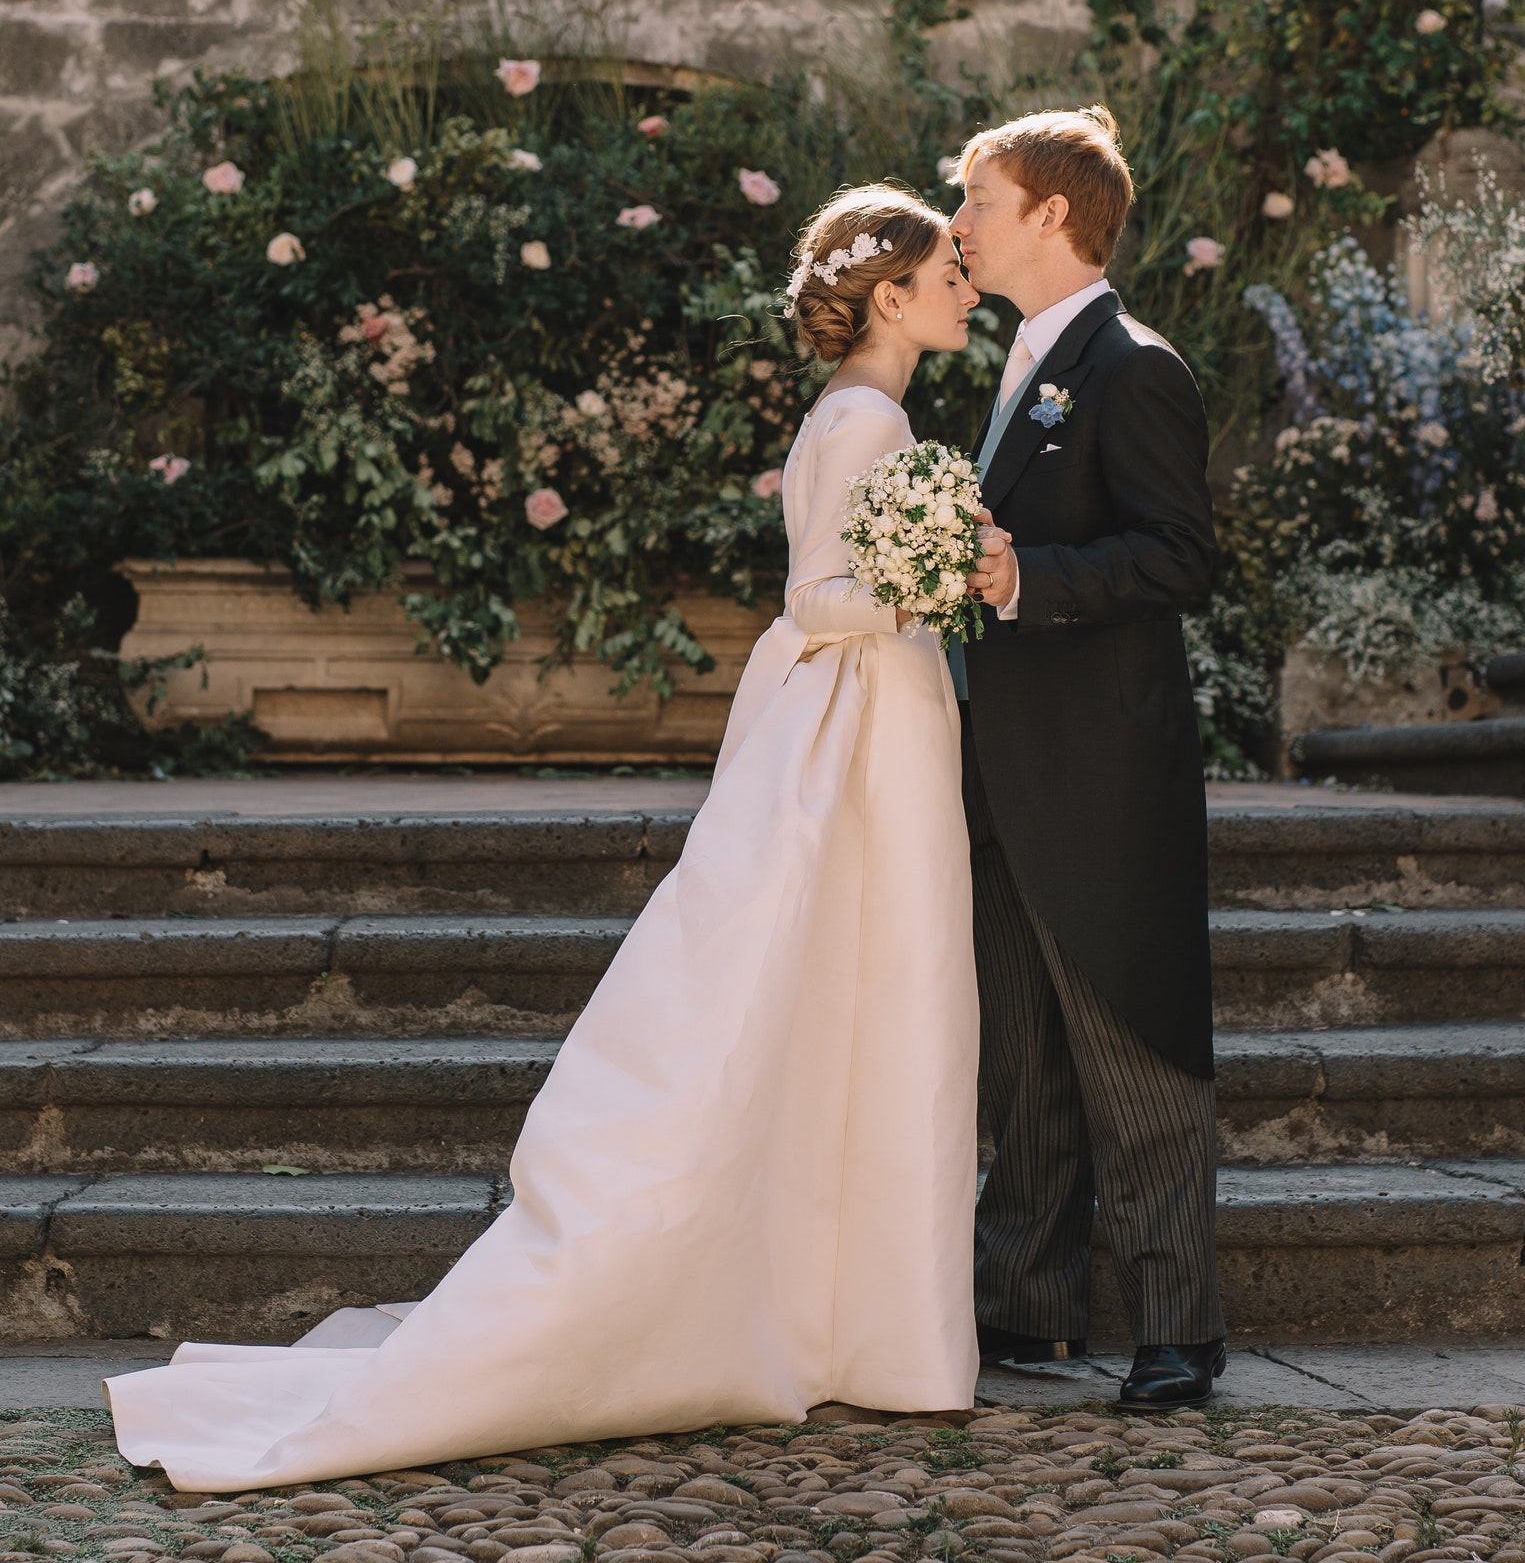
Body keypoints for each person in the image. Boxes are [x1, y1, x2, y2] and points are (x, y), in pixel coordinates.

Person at [104, 185, 984, 1490]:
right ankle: (850, 1322)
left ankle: (845, 1314)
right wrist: (944, 571)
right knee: (858, 994)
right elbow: (816, 593)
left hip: (864, 714)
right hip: (855, 718)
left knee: (856, 1004)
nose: (969, 288)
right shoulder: (866, 417)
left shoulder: (865, 412)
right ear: (892, 296)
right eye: (949, 272)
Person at [949, 108, 1228, 1410]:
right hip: (998, 777)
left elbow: (1183, 559)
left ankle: (1179, 1326)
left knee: (1133, 1049)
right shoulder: (1016, 364)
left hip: (1104, 779)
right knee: (1025, 1057)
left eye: (979, 199)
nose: (960, 224)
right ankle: (1028, 1303)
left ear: (1053, 213)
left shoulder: (1138, 367)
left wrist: (1024, 576)